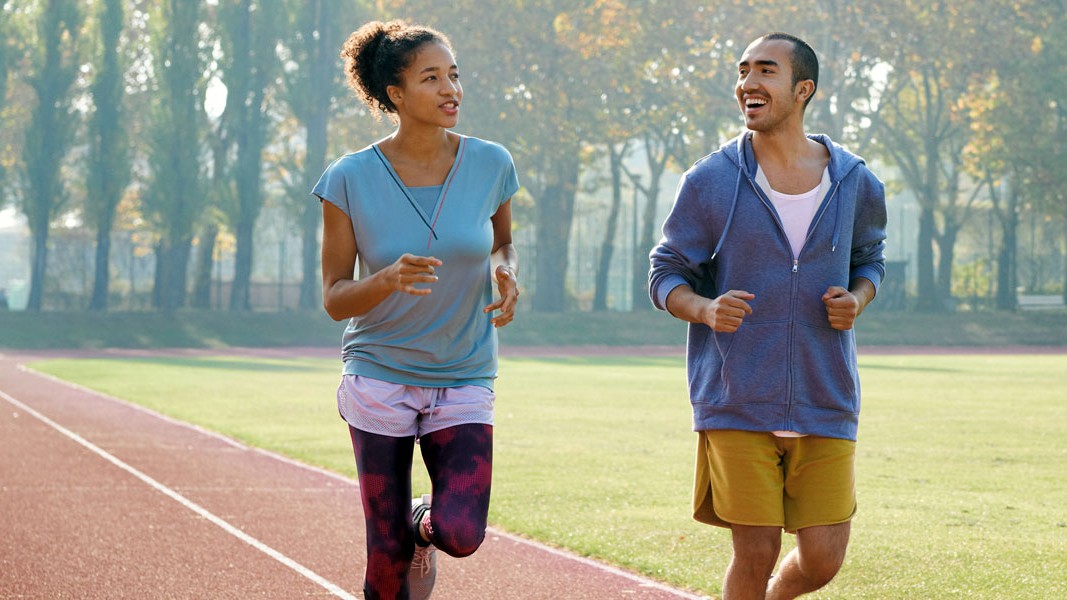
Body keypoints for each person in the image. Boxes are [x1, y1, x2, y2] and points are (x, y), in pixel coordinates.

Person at [649, 32, 887, 600]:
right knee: (755, 553)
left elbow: (871, 259)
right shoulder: (710, 180)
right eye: (743, 70)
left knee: (824, 561)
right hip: (737, 396)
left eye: (766, 71)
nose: (748, 83)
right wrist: (705, 308)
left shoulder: (855, 180)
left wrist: (859, 298)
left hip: (826, 395)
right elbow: (665, 273)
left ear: (802, 89)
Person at [312, 20, 519, 600]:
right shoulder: (348, 178)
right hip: (380, 376)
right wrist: (384, 280)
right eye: (432, 78)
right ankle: (404, 540)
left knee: (461, 532)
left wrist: (508, 271)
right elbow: (333, 298)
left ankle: (421, 523)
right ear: (395, 95)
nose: (451, 88)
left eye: (454, 75)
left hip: (464, 372)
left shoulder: (491, 163)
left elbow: (503, 240)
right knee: (385, 560)